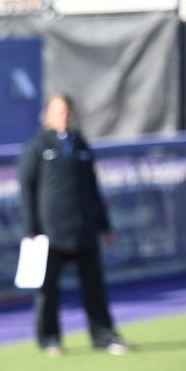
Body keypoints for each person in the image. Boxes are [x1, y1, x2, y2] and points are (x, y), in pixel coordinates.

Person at [18, 93, 127, 357]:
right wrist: (31, 229)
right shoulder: (38, 146)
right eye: (58, 112)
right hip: (51, 231)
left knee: (94, 286)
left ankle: (104, 336)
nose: (63, 116)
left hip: (83, 228)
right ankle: (49, 339)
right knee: (48, 291)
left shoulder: (80, 145)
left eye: (67, 111)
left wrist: (104, 224)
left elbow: (93, 187)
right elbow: (27, 189)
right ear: (47, 115)